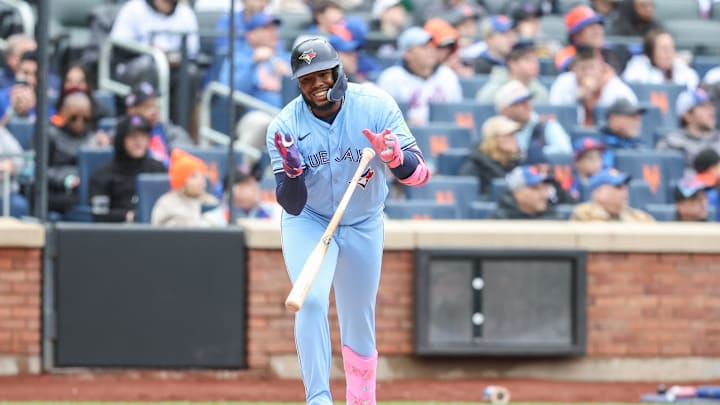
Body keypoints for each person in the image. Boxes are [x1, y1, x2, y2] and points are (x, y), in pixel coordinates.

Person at [266, 37, 430, 405]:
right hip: (309, 220)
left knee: (359, 317)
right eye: (307, 79)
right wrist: (292, 173)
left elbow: (419, 174)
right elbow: (292, 206)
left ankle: (361, 398)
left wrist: (394, 159)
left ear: (338, 70)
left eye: (323, 74)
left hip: (363, 220)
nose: (317, 84)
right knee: (309, 301)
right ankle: (319, 398)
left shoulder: (375, 105)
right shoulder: (284, 126)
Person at [376, 26, 462, 126]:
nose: (430, 50)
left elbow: (456, 114)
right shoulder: (391, 78)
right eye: (423, 47)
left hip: (441, 137)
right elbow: (382, 120)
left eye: (432, 46)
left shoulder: (447, 76)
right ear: (407, 53)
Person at [89, 115, 167, 222]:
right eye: (133, 136)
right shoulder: (102, 174)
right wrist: (128, 216)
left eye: (143, 136)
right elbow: (99, 213)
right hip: (117, 233)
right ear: (121, 141)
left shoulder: (158, 169)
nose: (139, 142)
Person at [47, 92, 111, 216]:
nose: (79, 122)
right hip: (57, 190)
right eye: (74, 117)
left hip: (86, 190)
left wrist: (103, 148)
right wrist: (66, 179)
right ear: (64, 113)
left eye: (85, 118)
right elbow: (40, 171)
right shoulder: (50, 135)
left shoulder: (95, 138)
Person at [549, 45, 637, 126]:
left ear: (601, 68)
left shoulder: (614, 85)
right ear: (573, 69)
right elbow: (554, 113)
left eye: (592, 67)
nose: (588, 73)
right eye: (583, 68)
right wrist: (577, 100)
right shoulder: (563, 82)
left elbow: (632, 111)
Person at [124, 81, 193, 166]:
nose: (154, 111)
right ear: (132, 111)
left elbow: (184, 157)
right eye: (147, 107)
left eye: (155, 105)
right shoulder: (122, 135)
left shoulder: (170, 131)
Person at [495, 80, 572, 155]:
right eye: (520, 103)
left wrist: (533, 154)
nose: (527, 106)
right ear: (504, 110)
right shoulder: (497, 132)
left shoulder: (546, 124)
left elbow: (565, 150)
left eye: (527, 101)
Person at [151, 149, 221, 226]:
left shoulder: (210, 201)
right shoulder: (167, 203)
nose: (200, 181)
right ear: (182, 181)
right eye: (194, 176)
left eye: (202, 176)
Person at [656, 88, 720, 171]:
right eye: (704, 106)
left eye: (711, 105)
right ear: (687, 115)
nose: (711, 111)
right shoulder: (672, 142)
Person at [459, 115, 521, 195]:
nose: (514, 139)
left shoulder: (517, 164)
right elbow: (469, 197)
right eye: (509, 135)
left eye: (514, 135)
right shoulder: (474, 167)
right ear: (493, 139)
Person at [621, 29, 699, 89]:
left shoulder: (680, 67)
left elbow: (693, 85)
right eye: (664, 49)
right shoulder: (637, 67)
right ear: (650, 53)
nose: (669, 53)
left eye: (671, 48)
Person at [476, 41, 548, 104]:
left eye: (535, 59)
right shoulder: (491, 92)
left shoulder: (541, 91)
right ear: (512, 64)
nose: (535, 64)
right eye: (528, 59)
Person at [570, 168, 655, 222]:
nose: (624, 191)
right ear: (598, 193)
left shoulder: (637, 216)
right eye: (618, 187)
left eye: (625, 186)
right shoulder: (584, 213)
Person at [490, 165, 562, 220]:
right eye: (535, 188)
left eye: (545, 188)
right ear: (517, 192)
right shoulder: (499, 221)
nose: (544, 195)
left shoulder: (554, 219)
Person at [599, 98, 646, 168]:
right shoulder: (600, 147)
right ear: (613, 119)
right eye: (631, 116)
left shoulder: (638, 145)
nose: (637, 121)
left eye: (638, 117)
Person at [0, 125, 28, 217]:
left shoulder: (2, 133)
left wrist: (11, 165)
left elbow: (20, 159)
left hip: (5, 192)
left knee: (18, 206)